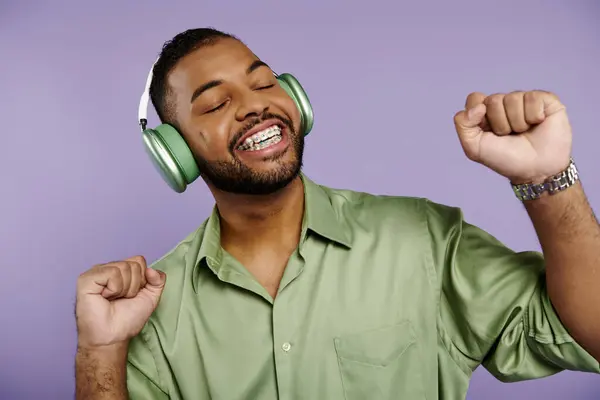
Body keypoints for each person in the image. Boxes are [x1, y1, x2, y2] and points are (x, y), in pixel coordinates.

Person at [74, 27, 600, 400]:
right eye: (215, 104)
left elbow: (588, 333)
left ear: (297, 103)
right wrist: (100, 351)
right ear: (175, 152)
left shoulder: (424, 240)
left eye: (263, 83)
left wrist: (545, 180)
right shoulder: (151, 313)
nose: (256, 105)